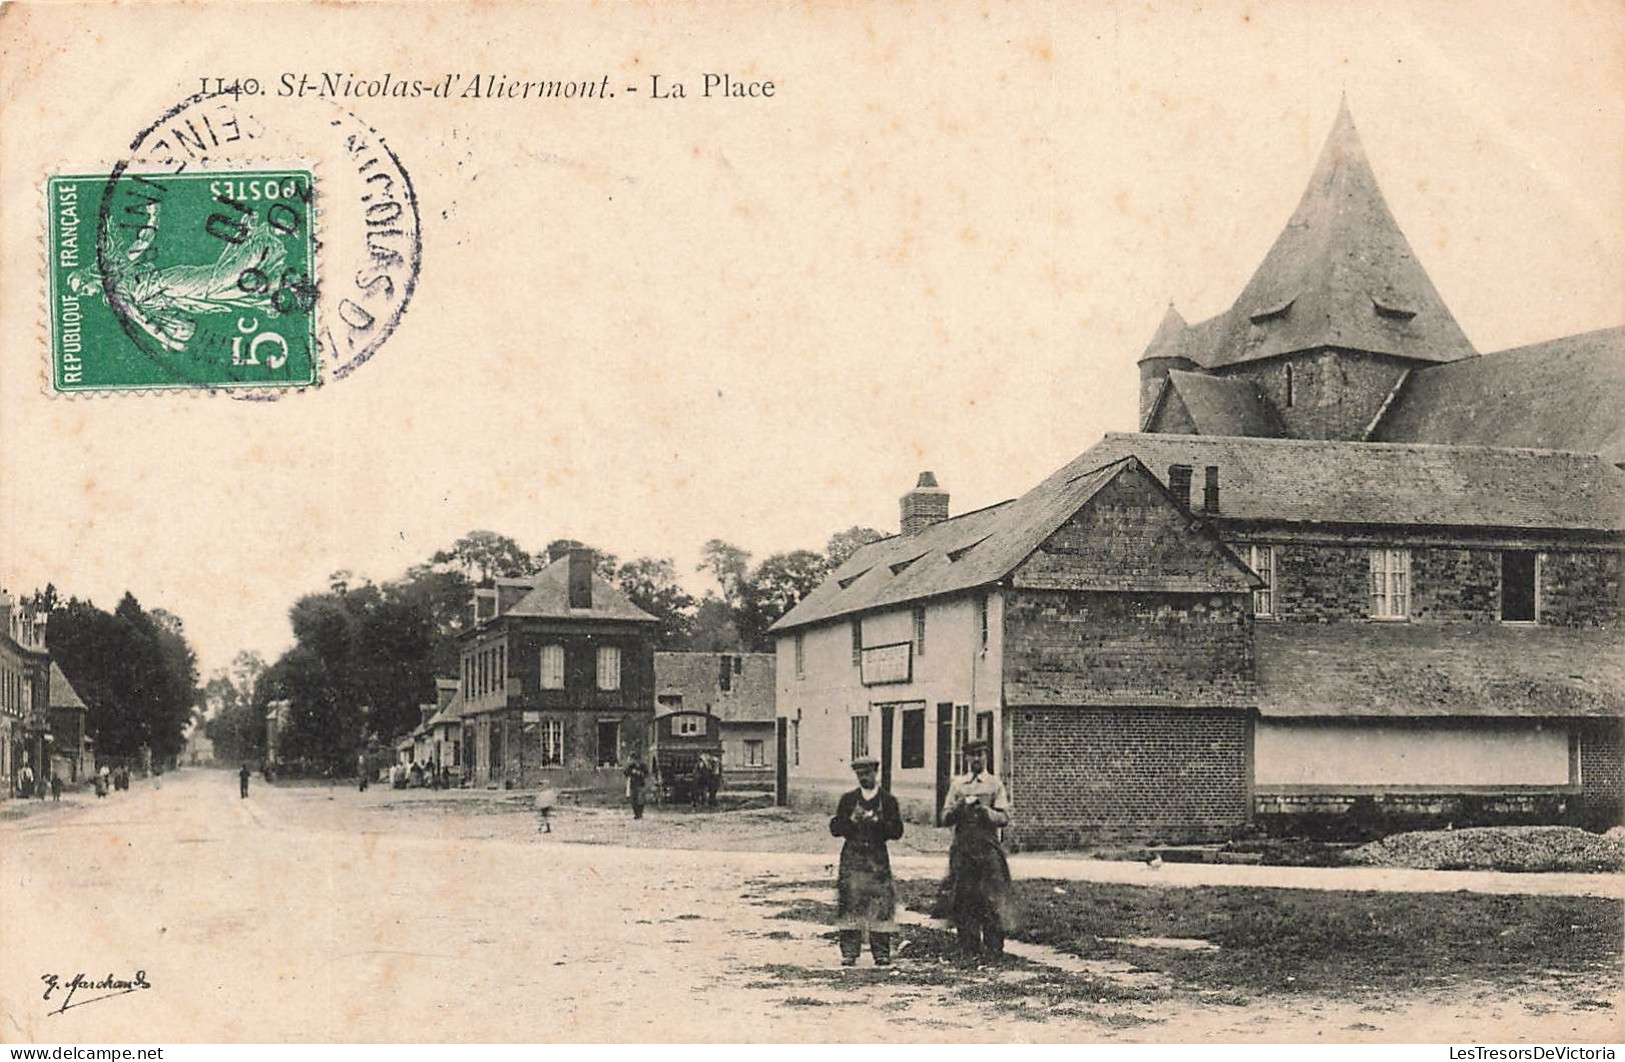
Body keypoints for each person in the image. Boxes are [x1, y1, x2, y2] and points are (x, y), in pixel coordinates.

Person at [941, 739, 1014, 962]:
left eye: (980, 754)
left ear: (986, 757)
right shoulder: (958, 785)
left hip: (988, 848)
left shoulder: (994, 784)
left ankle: (993, 948)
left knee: (992, 897)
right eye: (972, 755)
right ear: (966, 758)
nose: (976, 759)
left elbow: (1004, 817)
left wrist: (986, 812)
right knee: (964, 898)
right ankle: (969, 948)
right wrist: (959, 808)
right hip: (963, 849)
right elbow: (944, 818)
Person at [829, 755, 905, 967]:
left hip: (877, 858)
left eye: (868, 773)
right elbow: (835, 829)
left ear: (876, 773)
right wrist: (849, 822)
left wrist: (879, 824)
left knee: (880, 904)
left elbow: (897, 831)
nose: (864, 778)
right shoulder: (848, 800)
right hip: (852, 857)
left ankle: (881, 953)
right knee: (850, 902)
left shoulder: (888, 801)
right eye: (860, 774)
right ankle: (850, 952)